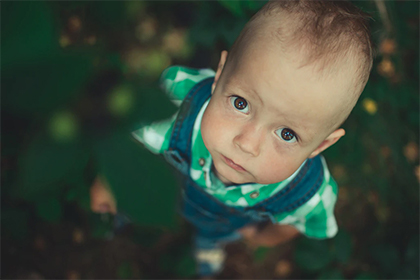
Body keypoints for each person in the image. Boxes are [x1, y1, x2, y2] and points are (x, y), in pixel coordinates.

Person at [91, 0, 373, 277]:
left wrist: (264, 237)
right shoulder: (177, 106)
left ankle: (208, 244)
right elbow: (130, 143)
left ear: (321, 146)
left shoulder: (309, 194)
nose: (247, 144)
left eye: (287, 134)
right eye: (240, 103)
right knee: (147, 193)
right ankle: (128, 211)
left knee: (216, 233)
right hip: (168, 184)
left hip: (222, 224)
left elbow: (297, 224)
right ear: (220, 75)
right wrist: (110, 184)